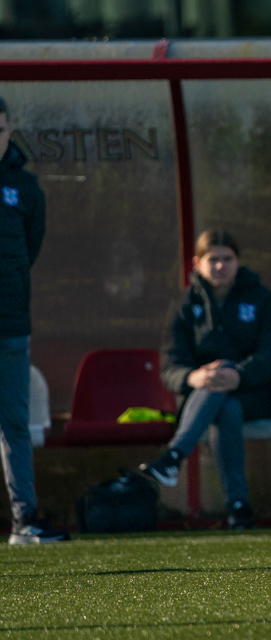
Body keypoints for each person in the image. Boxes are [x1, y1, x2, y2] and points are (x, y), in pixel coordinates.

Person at [141, 229, 271, 530]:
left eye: (227, 259)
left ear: (237, 261)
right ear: (197, 262)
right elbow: (169, 366)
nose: (221, 266)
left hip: (257, 395)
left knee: (226, 392)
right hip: (203, 400)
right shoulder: (184, 304)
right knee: (225, 406)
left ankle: (173, 457)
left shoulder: (262, 299)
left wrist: (238, 374)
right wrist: (193, 376)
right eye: (213, 259)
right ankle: (238, 506)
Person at [0, 98, 68, 544]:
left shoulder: (25, 188)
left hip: (10, 324)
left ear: (8, 130)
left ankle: (24, 520)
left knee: (14, 424)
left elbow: (30, 248)